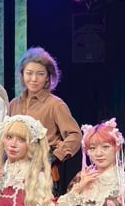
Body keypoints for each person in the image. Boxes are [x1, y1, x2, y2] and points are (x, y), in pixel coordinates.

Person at [8, 46, 81, 194]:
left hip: (43, 173)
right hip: (15, 172)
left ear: (48, 77)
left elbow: (75, 135)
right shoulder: (14, 104)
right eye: (29, 73)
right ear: (22, 74)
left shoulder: (55, 104)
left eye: (40, 74)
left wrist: (54, 157)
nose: (34, 79)